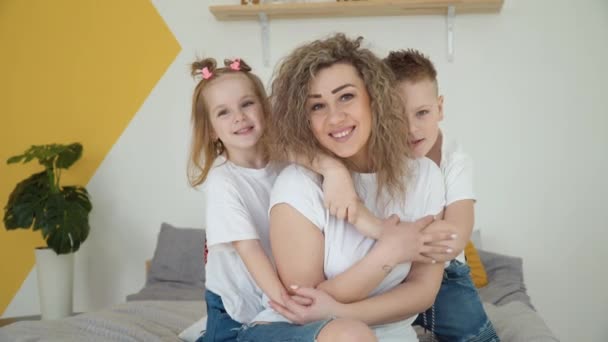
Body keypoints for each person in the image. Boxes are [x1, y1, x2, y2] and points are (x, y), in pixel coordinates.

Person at [235, 34, 456, 342]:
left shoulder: (424, 177)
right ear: (305, 119)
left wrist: (348, 312)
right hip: (297, 331)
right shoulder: (297, 185)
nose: (335, 117)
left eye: (346, 97)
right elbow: (305, 305)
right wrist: (388, 254)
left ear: (373, 98)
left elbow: (422, 290)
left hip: (385, 332)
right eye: (317, 106)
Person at [187, 57, 393, 342]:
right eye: (223, 112)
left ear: (265, 108)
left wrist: (335, 172)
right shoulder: (223, 181)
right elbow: (250, 250)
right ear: (210, 130)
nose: (239, 117)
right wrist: (287, 305)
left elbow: (317, 160)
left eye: (247, 104)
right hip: (239, 312)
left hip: (279, 296)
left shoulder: (287, 161)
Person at [384, 49, 499, 341]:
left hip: (445, 274)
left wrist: (401, 240)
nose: (411, 128)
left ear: (440, 107)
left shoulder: (454, 160)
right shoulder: (376, 158)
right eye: (397, 116)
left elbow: (456, 237)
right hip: (387, 273)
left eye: (422, 113)